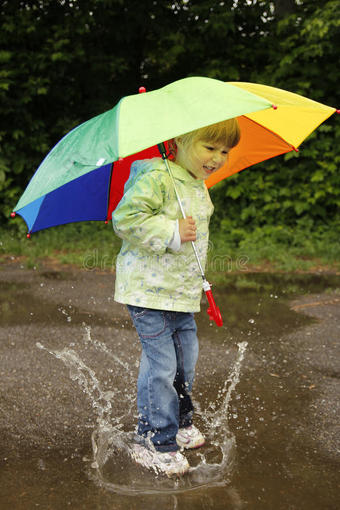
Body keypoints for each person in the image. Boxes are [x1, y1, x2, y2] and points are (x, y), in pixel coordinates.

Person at [112, 118, 240, 476]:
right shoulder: (155, 176)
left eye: (225, 151)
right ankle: (153, 440)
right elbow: (125, 218)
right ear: (180, 141)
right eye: (209, 147)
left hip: (181, 292)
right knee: (161, 366)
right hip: (149, 291)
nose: (217, 158)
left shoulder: (197, 183)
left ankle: (180, 423)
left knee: (185, 362)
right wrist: (170, 230)